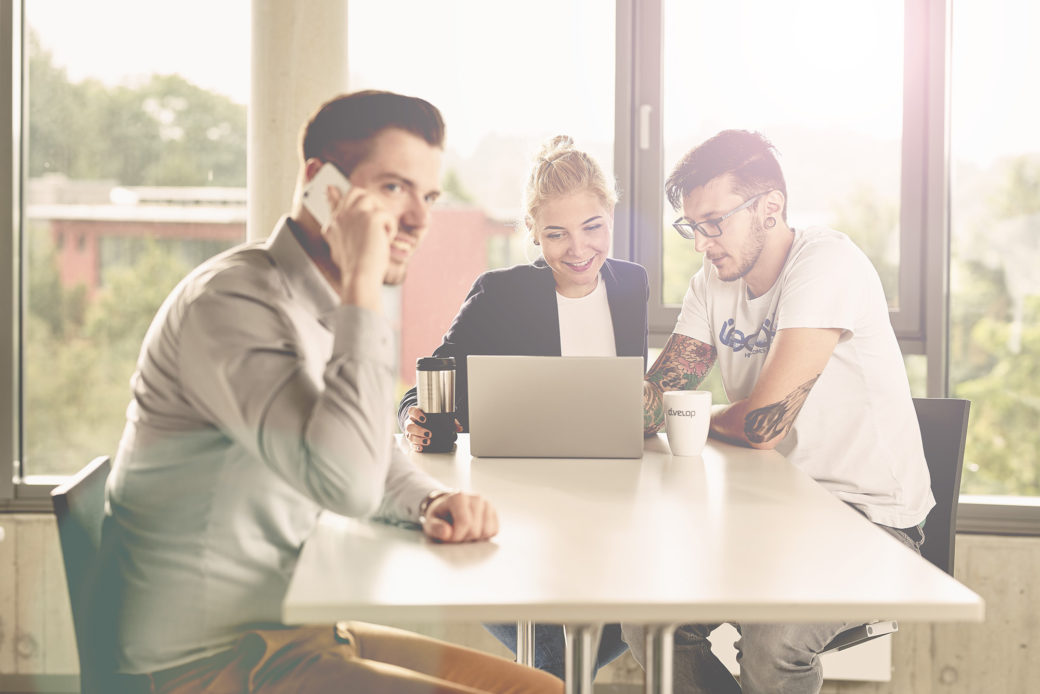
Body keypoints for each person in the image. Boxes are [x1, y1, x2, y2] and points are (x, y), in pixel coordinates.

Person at [103, 90, 562, 694]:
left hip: (293, 632)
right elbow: (345, 482)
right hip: (208, 663)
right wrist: (364, 286)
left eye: (428, 197)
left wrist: (428, 501)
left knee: (540, 688)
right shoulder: (231, 305)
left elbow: (362, 445)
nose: (420, 220)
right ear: (322, 185)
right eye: (395, 188)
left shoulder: (313, 303)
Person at [624, 130, 935, 694]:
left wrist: (697, 414)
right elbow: (658, 400)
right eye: (692, 226)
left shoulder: (827, 263)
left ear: (770, 208)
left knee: (773, 638)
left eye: (714, 222)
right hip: (773, 517)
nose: (702, 243)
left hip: (869, 521)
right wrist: (595, 398)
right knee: (650, 619)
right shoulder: (709, 286)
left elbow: (765, 423)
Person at [397, 136, 649, 680]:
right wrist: (414, 418)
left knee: (610, 632)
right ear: (532, 232)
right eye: (556, 234)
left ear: (611, 217)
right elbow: (428, 385)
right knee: (555, 652)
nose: (578, 249)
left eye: (593, 228)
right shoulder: (500, 294)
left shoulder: (631, 284)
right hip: (517, 519)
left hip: (610, 515)